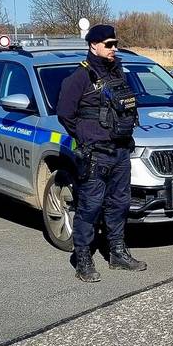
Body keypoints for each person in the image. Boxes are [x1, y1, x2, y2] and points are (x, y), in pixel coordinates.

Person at [57, 24, 147, 283]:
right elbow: (65, 114)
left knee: (119, 205)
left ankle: (117, 252)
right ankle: (82, 258)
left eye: (115, 44)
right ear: (93, 45)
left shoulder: (118, 71)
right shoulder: (80, 77)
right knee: (90, 207)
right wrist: (87, 136)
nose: (114, 48)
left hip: (120, 151)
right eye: (108, 44)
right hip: (96, 153)